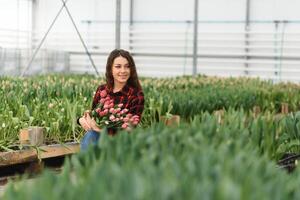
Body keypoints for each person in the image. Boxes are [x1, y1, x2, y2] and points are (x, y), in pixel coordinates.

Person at [78, 49, 144, 151]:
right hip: (98, 138)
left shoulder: (136, 95)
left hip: (121, 143)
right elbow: (94, 116)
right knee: (91, 136)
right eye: (118, 66)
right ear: (110, 69)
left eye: (127, 66)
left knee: (93, 136)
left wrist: (98, 128)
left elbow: (129, 128)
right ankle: (88, 164)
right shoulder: (102, 90)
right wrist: (81, 120)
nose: (123, 71)